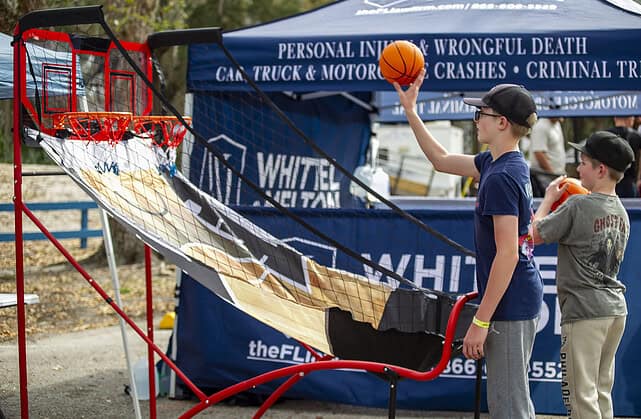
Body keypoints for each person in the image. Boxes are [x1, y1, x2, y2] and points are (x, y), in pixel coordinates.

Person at [395, 70, 543, 419]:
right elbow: (441, 161)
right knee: (511, 402)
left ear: (502, 122)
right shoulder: (498, 162)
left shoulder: (503, 175)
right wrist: (411, 113)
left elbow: (507, 254)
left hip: (511, 302)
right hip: (515, 297)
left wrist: (481, 321)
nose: (476, 120)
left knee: (511, 409)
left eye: (482, 114)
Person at [532, 131, 634, 418]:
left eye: (584, 162)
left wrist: (548, 198)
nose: (578, 169)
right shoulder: (621, 212)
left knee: (580, 399)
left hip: (584, 312)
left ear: (601, 169)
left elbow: (531, 235)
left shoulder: (577, 205)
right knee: (601, 393)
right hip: (614, 310)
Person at [605, 116, 641, 197]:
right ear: (630, 119)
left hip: (609, 181)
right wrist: (639, 178)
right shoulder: (636, 136)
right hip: (629, 181)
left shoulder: (605, 135)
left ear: (615, 118)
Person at [529, 117, 566, 196]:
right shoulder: (541, 126)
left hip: (555, 178)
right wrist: (553, 175)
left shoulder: (556, 124)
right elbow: (539, 153)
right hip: (544, 178)